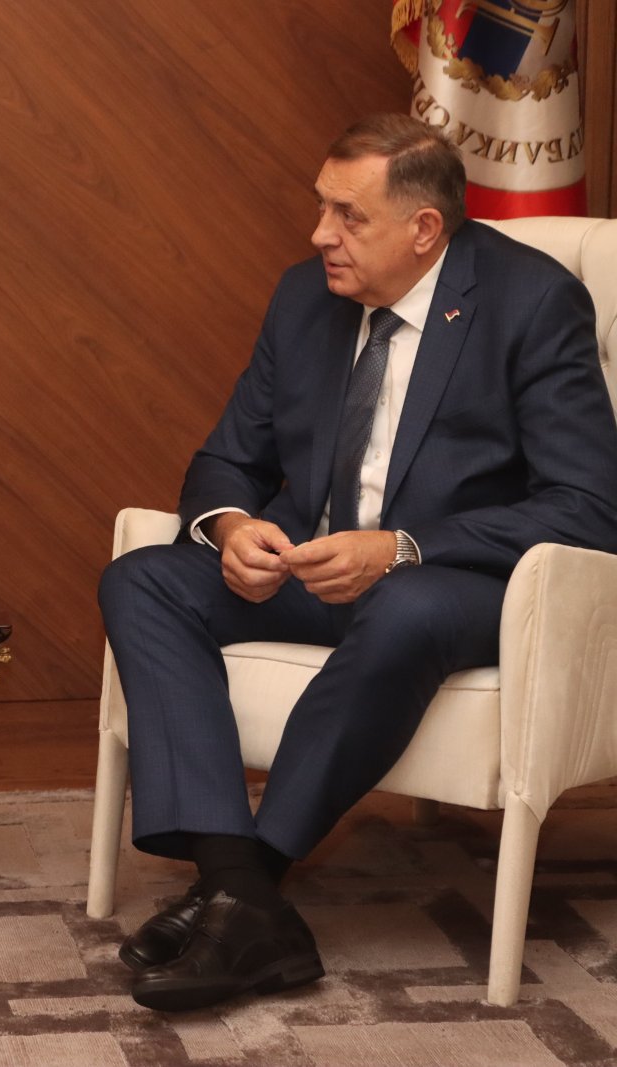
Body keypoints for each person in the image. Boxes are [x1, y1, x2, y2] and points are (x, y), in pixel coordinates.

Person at [97, 114, 617, 1013]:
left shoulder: (531, 302)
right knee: (140, 579)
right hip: (315, 571)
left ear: (424, 229)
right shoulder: (305, 298)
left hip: (455, 586)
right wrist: (231, 528)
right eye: (321, 208)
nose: (319, 235)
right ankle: (239, 887)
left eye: (348, 216)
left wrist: (404, 548)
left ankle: (244, 890)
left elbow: (589, 505)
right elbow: (227, 460)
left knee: (406, 604)